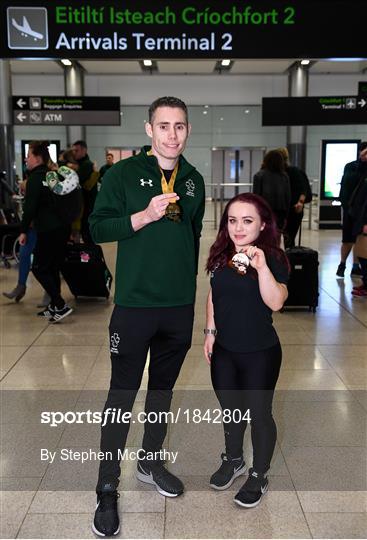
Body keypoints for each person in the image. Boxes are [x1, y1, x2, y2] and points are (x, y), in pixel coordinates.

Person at [89, 96, 205, 537]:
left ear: (187, 131)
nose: (171, 134)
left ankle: (150, 461)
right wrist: (142, 216)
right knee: (121, 395)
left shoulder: (193, 180)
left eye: (179, 126)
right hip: (134, 307)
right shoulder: (121, 175)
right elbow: (98, 228)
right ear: (148, 130)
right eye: (163, 126)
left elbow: (191, 240)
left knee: (162, 391)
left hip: (177, 308)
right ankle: (105, 486)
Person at [204, 192, 289, 508]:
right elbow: (214, 294)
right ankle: (234, 459)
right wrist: (210, 331)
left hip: (260, 354)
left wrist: (262, 267)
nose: (238, 228)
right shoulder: (221, 254)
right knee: (231, 410)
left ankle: (259, 474)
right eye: (232, 220)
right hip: (225, 350)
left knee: (259, 414)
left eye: (247, 221)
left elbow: (277, 302)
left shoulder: (274, 259)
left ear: (263, 224)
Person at [19, 141, 73, 323]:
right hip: (62, 228)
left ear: (37, 157)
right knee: (52, 267)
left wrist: (23, 230)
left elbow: (30, 208)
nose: (26, 159)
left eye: (28, 156)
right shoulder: (51, 175)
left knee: (39, 267)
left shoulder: (34, 179)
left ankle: (59, 304)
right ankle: (53, 306)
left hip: (49, 229)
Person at [336, 141, 367, 278]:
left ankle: (355, 265)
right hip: (351, 209)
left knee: (359, 239)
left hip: (361, 211)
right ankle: (342, 264)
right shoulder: (351, 167)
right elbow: (345, 187)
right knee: (348, 239)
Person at [277, 147, 312, 249]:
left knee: (287, 239)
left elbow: (304, 191)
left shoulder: (293, 172)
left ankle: (286, 261)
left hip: (291, 210)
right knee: (287, 239)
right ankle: (287, 260)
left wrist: (300, 202)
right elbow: (304, 190)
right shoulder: (292, 172)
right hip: (289, 210)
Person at [252, 150, 291, 233]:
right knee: (277, 236)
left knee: (264, 237)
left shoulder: (259, 175)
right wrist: (286, 215)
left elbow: (256, 197)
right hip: (281, 213)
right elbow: (288, 197)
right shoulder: (284, 176)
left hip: (264, 212)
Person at [72, 140, 99, 244]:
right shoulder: (81, 165)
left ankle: (92, 259)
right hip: (83, 207)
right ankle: (87, 258)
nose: (74, 153)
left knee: (87, 236)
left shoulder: (87, 165)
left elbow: (75, 181)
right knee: (83, 236)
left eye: (76, 150)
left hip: (87, 208)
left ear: (84, 150)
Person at [348, 149, 367, 297]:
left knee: (364, 253)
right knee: (362, 253)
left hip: (364, 220)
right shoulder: (362, 173)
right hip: (360, 217)